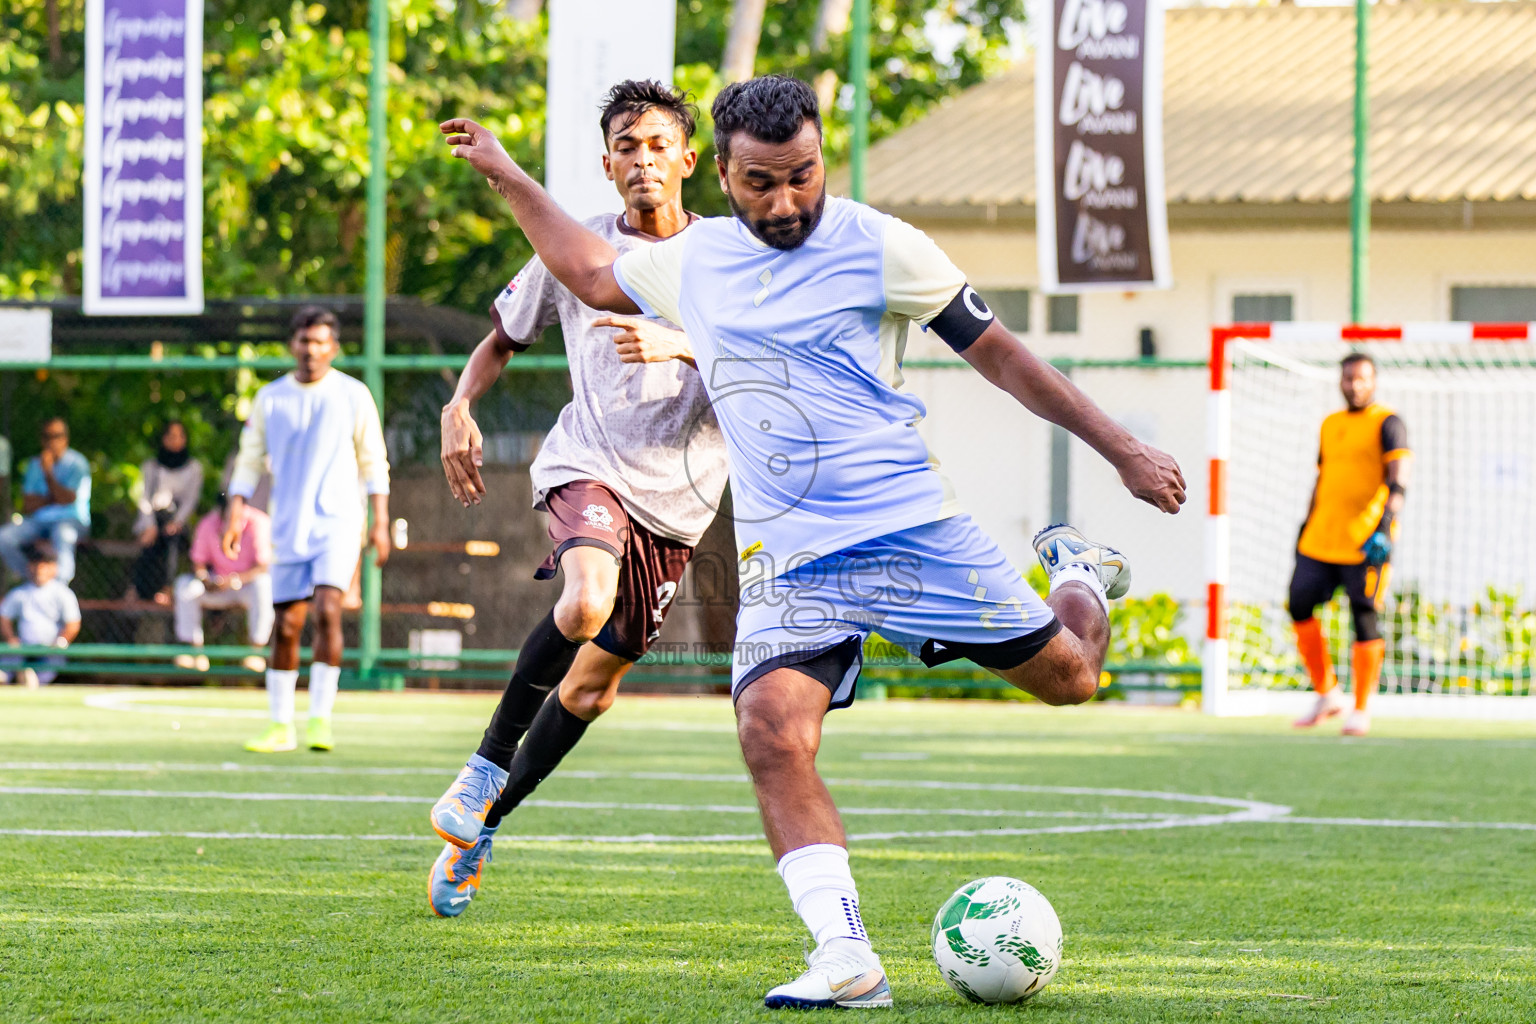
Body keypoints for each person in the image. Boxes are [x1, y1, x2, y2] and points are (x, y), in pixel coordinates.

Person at [441, 74, 1186, 1009]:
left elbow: (1004, 359)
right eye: (760, 183)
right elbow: (588, 274)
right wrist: (507, 172)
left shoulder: (882, 246)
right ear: (720, 173)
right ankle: (846, 955)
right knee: (769, 732)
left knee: (1072, 677)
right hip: (792, 560)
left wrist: (1121, 449)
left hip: (911, 528)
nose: (787, 201)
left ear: (821, 154)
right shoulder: (696, 261)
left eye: (803, 175)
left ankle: (1074, 573)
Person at [427, 80, 727, 918]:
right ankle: (484, 764)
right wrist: (461, 404)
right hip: (588, 465)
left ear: (689, 160)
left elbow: (769, 356)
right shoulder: (572, 251)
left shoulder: (726, 258)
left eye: (658, 145)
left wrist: (681, 344)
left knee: (592, 690)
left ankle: (485, 822)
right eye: (626, 148)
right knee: (586, 599)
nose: (642, 160)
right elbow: (500, 343)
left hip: (679, 508)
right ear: (606, 165)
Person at [226, 306, 391, 753]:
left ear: (333, 348)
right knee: (286, 625)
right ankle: (281, 725)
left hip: (338, 523)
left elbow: (373, 460)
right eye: (303, 340)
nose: (311, 349)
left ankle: (321, 719)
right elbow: (249, 458)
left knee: (328, 610)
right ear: (291, 345)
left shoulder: (354, 395)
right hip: (288, 525)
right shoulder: (270, 398)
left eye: (320, 341)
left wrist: (380, 522)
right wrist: (235, 513)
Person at [1289, 353, 1410, 737]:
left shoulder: (1388, 423)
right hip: (1320, 537)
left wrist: (1386, 527)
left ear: (1373, 381)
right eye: (1347, 378)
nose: (1354, 385)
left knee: (1363, 614)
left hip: (1366, 541)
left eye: (1361, 378)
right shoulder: (1330, 423)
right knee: (1299, 604)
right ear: (1340, 381)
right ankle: (1328, 693)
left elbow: (1399, 478)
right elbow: (1322, 478)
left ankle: (1360, 709)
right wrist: (1305, 523)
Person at [172, 496, 274, 674]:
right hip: (216, 585)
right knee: (185, 585)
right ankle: (193, 651)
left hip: (246, 585)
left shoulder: (259, 522)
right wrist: (206, 579)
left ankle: (255, 652)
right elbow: (198, 562)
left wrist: (235, 580)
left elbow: (263, 567)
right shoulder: (209, 523)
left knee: (264, 585)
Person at [0, 418, 91, 585]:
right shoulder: (34, 464)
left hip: (70, 520)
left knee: (64, 535)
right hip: (39, 521)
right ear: (42, 439)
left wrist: (48, 474)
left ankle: (59, 586)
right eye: (47, 436)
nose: (51, 441)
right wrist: (53, 497)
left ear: (65, 438)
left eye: (57, 436)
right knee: (4, 538)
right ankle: (34, 582)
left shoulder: (77, 463)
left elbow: (68, 499)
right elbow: (28, 505)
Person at [129, 420, 204, 600]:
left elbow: (190, 500)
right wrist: (149, 524)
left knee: (171, 538)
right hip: (153, 520)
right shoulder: (151, 466)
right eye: (171, 436)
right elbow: (145, 497)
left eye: (179, 436)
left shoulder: (194, 468)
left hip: (177, 523)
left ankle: (167, 587)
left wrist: (177, 522)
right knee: (150, 540)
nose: (175, 440)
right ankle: (138, 590)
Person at [0, 543, 81, 688]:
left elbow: (73, 623)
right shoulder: (20, 593)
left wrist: (61, 641)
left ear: (54, 568)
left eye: (45, 565)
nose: (39, 569)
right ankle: (7, 676)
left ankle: (33, 680)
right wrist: (11, 638)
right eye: (35, 564)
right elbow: (4, 616)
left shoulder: (62, 593)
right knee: (9, 658)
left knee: (53, 661)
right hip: (23, 646)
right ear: (29, 566)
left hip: (50, 648)